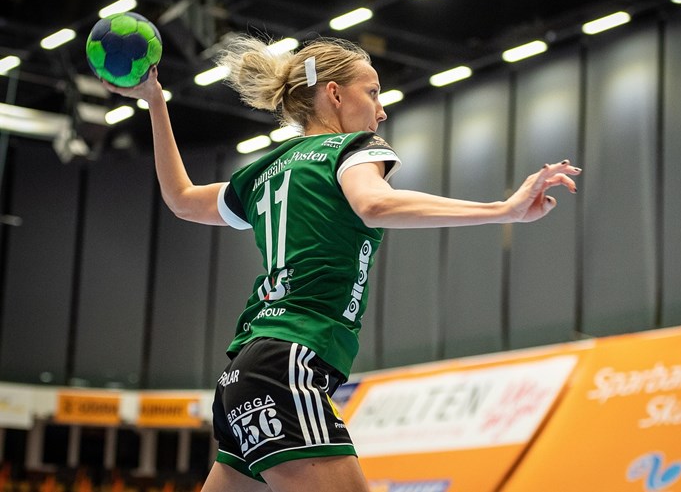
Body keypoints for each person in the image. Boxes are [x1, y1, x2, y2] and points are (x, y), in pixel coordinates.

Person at [103, 35, 581, 492]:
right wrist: (502, 209)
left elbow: (182, 199)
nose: (381, 109)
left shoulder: (265, 170)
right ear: (333, 94)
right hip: (290, 362)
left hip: (244, 373)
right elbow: (374, 204)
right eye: (372, 92)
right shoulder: (351, 149)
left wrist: (155, 101)